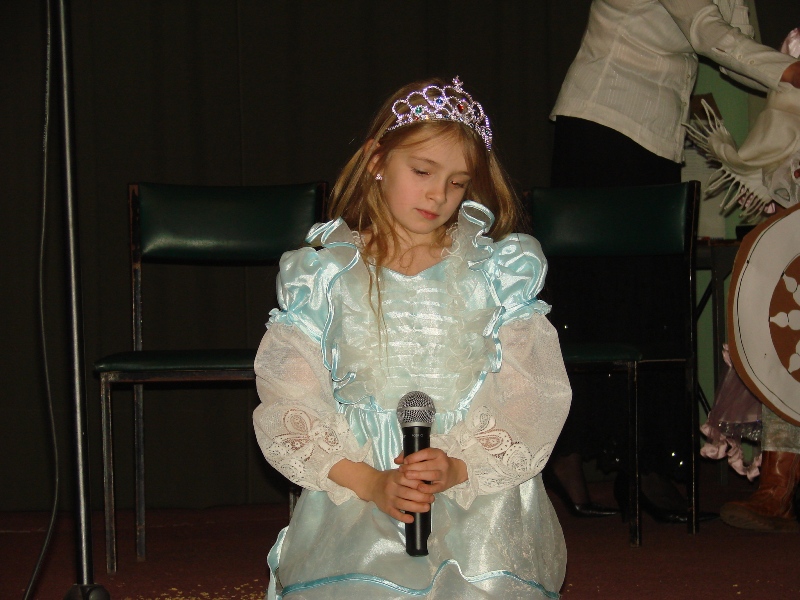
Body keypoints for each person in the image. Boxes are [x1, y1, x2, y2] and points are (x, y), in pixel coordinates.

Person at [253, 77, 572, 599]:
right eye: (422, 171)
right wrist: (371, 482)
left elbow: (532, 395)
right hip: (363, 484)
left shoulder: (495, 273)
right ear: (377, 160)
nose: (438, 195)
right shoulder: (326, 277)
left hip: (470, 490)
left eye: (457, 183)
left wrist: (460, 466)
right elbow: (291, 398)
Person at [546, 0, 800, 521]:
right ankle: (575, 457)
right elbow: (707, 33)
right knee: (601, 300)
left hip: (655, 140)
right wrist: (789, 70)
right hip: (604, 125)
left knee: (648, 305)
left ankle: (641, 465)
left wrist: (784, 69)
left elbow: (735, 51)